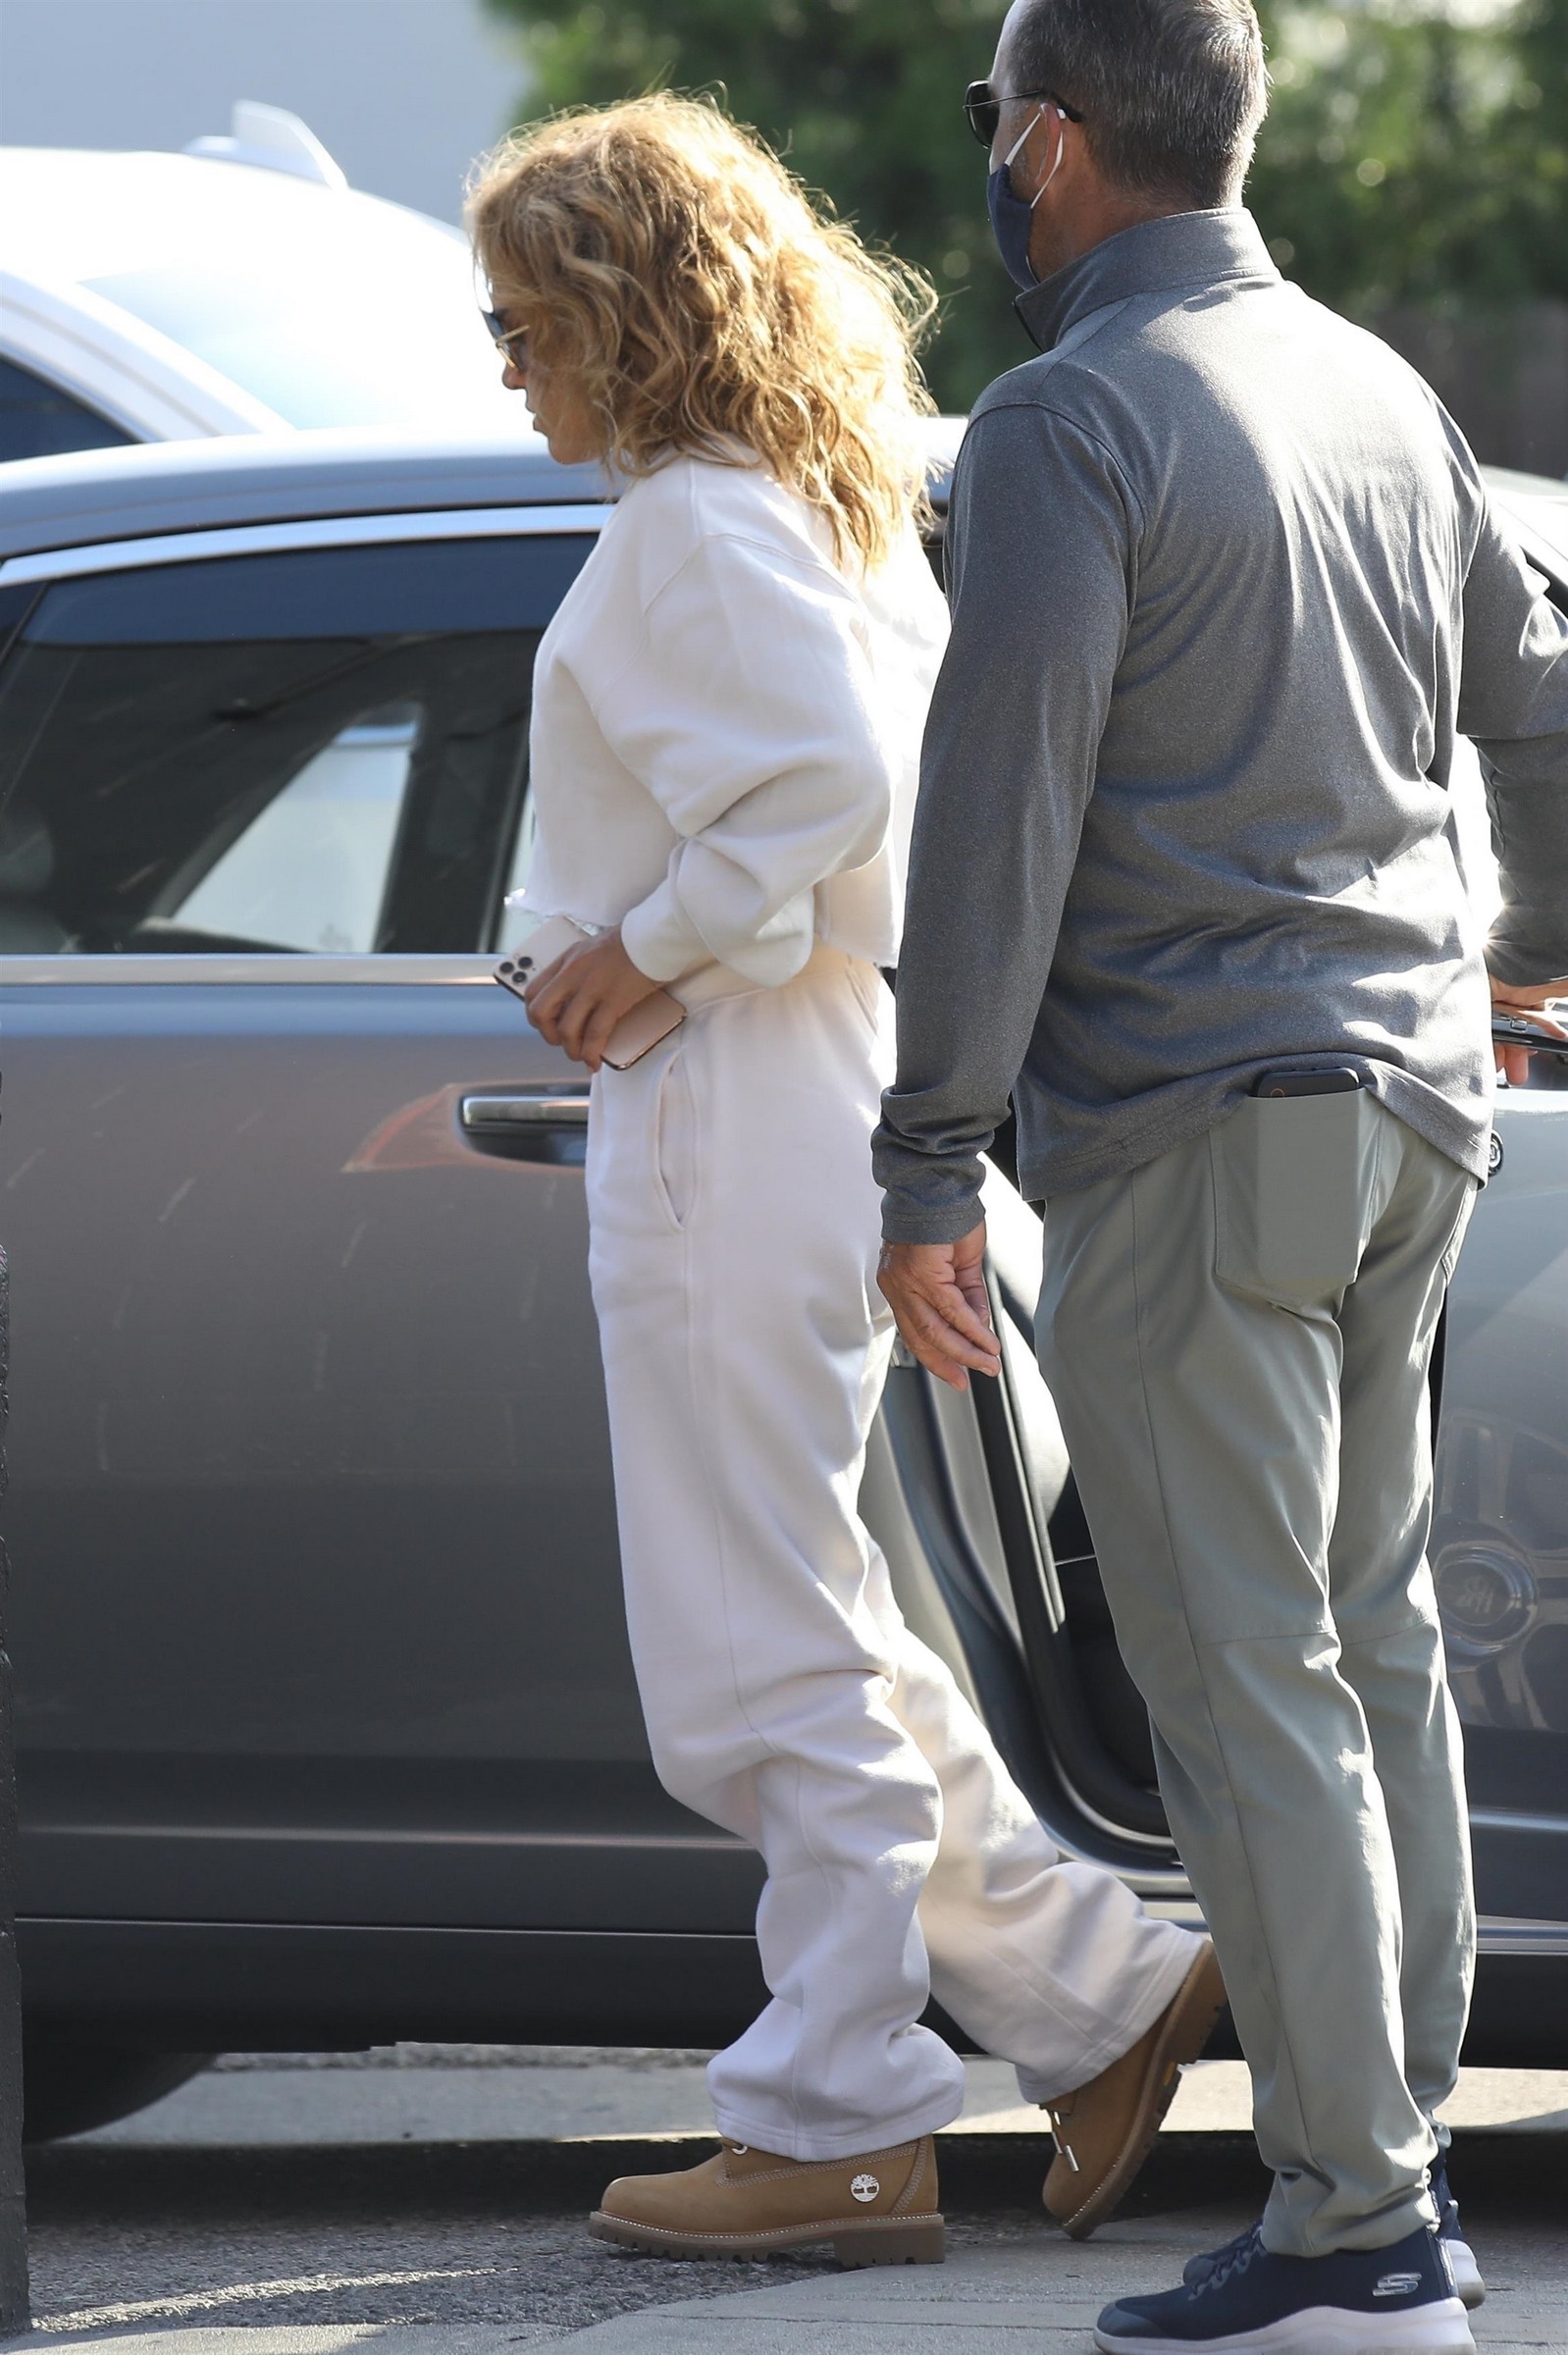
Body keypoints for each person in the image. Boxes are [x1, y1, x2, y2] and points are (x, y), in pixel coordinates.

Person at [466, 92, 1219, 2271]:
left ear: (620, 312)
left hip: (734, 1097)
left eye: (524, 325)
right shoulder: (810, 501)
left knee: (747, 1647)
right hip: (809, 1085)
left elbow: (823, 789)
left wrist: (638, 948)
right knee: (820, 1616)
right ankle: (1096, 1993)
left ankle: (841, 2117)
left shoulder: (694, 524)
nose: (507, 369)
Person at [873, 0, 1568, 2346]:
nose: (992, 156)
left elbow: (1000, 810)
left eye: (995, 119)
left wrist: (926, 1153)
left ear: (1053, 147)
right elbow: (1541, 694)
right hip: (1412, 1118)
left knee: (1249, 1676)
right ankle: (1396, 2177)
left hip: (1192, 1123)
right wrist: (1508, 955)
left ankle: (1355, 2228)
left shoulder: (1066, 419)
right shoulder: (1380, 385)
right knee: (1369, 1645)